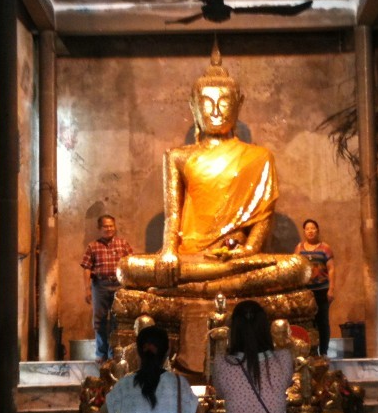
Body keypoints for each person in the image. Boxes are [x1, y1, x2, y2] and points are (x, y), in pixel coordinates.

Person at [117, 45, 310, 297]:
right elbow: (173, 217)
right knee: (127, 268)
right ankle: (222, 286)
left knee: (297, 267)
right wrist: (167, 252)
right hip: (190, 257)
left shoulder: (259, 157)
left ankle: (192, 288)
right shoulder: (177, 157)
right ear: (193, 105)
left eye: (224, 101)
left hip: (237, 259)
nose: (216, 110)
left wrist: (248, 250)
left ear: (239, 103)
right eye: (207, 102)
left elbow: (262, 222)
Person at [81, 214, 134, 361]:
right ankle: (101, 353)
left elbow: (131, 263)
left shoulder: (123, 244)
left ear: (115, 227)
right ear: (99, 229)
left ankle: (115, 354)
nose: (109, 229)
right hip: (100, 286)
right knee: (99, 321)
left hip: (120, 287)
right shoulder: (93, 246)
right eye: (105, 226)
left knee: (118, 320)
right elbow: (86, 268)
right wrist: (87, 289)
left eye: (111, 226)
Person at [293, 219, 335, 356]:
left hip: (322, 290)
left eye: (313, 228)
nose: (310, 231)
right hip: (306, 292)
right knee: (308, 323)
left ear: (317, 230)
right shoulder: (299, 248)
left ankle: (323, 352)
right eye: (307, 229)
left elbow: (332, 269)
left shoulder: (325, 248)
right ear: (304, 232)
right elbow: (295, 268)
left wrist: (331, 289)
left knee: (322, 321)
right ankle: (311, 353)